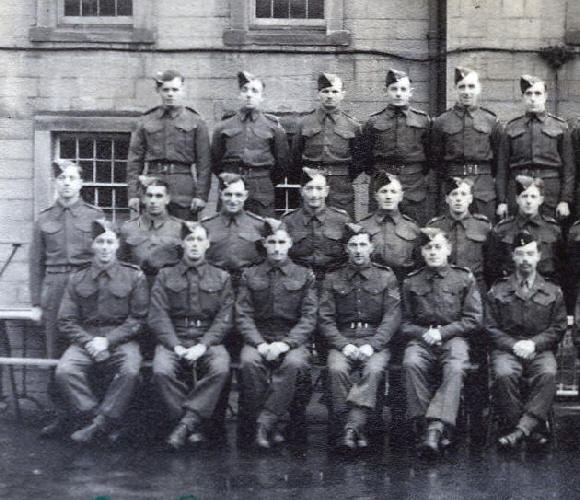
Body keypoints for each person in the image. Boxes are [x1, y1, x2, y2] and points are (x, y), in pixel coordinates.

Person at [54, 220, 149, 443]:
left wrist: (108, 341)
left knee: (130, 370)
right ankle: (99, 419)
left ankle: (99, 424)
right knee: (65, 371)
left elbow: (138, 318)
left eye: (110, 242)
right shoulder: (78, 277)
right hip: (85, 339)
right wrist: (88, 342)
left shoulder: (134, 276)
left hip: (121, 339)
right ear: (93, 246)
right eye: (100, 242)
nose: (105, 247)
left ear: (117, 245)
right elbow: (65, 319)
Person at [148, 222, 233, 449]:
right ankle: (191, 425)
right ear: (182, 244)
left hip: (207, 339)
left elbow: (224, 318)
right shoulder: (165, 275)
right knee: (161, 370)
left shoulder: (222, 277)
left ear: (207, 244)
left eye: (199, 240)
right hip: (174, 337)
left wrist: (203, 346)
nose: (194, 244)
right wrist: (175, 346)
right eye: (190, 240)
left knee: (221, 367)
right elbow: (158, 315)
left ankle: (184, 426)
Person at [401, 228, 482, 457]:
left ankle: (435, 428)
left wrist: (443, 332)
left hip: (453, 338)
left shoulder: (463, 277)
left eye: (438, 247)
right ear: (422, 252)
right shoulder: (411, 281)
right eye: (428, 248)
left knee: (456, 368)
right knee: (411, 363)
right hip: (422, 340)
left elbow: (473, 319)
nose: (433, 252)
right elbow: (404, 323)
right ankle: (426, 427)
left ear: (448, 249)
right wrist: (423, 332)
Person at [318, 223, 400, 450]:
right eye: (353, 245)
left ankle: (350, 429)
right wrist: (342, 345)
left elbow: (392, 317)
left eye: (363, 244)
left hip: (374, 339)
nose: (358, 250)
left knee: (374, 369)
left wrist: (373, 346)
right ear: (346, 249)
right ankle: (357, 428)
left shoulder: (386, 276)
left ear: (371, 247)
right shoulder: (333, 277)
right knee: (336, 369)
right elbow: (325, 318)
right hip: (343, 338)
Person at [236, 219, 317, 448]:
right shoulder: (250, 274)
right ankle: (277, 421)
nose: (277, 247)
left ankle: (265, 423)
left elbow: (309, 317)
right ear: (265, 244)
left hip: (291, 339)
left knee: (294, 364)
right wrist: (259, 344)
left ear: (290, 244)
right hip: (258, 337)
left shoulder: (304, 275)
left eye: (282, 242)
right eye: (272, 242)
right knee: (249, 362)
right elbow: (243, 314)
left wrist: (287, 344)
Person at [486, 231, 566, 449]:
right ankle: (530, 429)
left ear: (538, 256)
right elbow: (490, 327)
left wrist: (534, 343)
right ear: (513, 256)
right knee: (504, 374)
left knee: (548, 373)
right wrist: (513, 344)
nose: (525, 259)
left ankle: (519, 431)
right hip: (507, 348)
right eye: (520, 254)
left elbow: (558, 327)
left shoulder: (552, 290)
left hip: (540, 349)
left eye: (530, 254)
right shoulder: (498, 289)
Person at [29, 160, 104, 360]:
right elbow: (36, 263)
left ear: (81, 183)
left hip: (87, 286)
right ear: (55, 182)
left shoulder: (95, 215)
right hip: (55, 287)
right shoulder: (44, 218)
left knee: (88, 342)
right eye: (62, 178)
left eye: (72, 178)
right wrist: (36, 304)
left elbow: (104, 256)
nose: (67, 183)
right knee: (54, 346)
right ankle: (54, 391)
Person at [127, 69, 211, 221]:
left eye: (175, 89)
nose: (170, 94)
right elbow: (134, 160)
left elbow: (204, 163)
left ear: (183, 90)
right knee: (149, 231)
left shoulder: (196, 122)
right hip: (153, 182)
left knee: (183, 233)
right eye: (166, 90)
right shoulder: (146, 120)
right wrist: (133, 194)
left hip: (183, 185)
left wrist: (201, 195)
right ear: (159, 91)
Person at [211, 71, 290, 217]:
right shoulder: (223, 127)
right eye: (245, 90)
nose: (249, 94)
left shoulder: (273, 127)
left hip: (261, 187)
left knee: (262, 231)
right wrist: (230, 177)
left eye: (254, 91)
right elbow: (215, 162)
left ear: (262, 97)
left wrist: (263, 178)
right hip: (231, 184)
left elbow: (283, 164)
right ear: (239, 94)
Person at [496, 75, 574, 220]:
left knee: (550, 233)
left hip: (550, 190)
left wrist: (565, 200)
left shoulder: (560, 127)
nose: (533, 98)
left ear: (545, 96)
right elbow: (502, 169)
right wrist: (502, 201)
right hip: (518, 189)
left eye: (537, 93)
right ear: (522, 97)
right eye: (528, 94)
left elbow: (569, 169)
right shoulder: (511, 127)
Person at [360, 69, 431, 224]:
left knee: (415, 227)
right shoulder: (373, 122)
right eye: (394, 89)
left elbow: (431, 155)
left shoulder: (423, 121)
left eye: (403, 89)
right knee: (378, 227)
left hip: (413, 184)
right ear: (386, 92)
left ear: (410, 92)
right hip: (382, 182)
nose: (398, 94)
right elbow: (365, 159)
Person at [431, 67, 502, 221]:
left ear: (479, 88)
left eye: (471, 86)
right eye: (462, 86)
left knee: (485, 231)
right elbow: (435, 159)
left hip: (483, 185)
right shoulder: (442, 121)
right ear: (455, 89)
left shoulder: (490, 121)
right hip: (453, 182)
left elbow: (499, 158)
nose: (466, 91)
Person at [291, 73, 362, 217]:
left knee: (343, 225)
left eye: (334, 91)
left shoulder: (353, 125)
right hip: (312, 183)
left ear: (342, 94)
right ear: (318, 94)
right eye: (325, 91)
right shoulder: (304, 123)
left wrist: (340, 175)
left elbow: (360, 161)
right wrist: (309, 175)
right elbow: (294, 158)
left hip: (340, 186)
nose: (330, 96)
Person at [488, 176, 564, 285]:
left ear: (541, 200)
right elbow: (492, 268)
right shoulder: (502, 230)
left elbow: (562, 267)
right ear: (517, 199)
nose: (528, 201)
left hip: (546, 291)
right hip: (511, 290)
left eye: (533, 196)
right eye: (524, 196)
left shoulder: (553, 229)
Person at [282, 167, 351, 283]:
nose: (314, 194)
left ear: (326, 191)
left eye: (319, 189)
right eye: (309, 188)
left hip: (333, 280)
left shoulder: (341, 219)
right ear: (301, 191)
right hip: (298, 280)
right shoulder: (289, 221)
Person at [202, 173, 267, 290]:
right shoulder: (207, 226)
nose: (233, 200)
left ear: (245, 196)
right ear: (220, 194)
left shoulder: (259, 225)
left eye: (238, 195)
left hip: (248, 286)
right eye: (228, 194)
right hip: (215, 285)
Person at [427, 177, 491, 293]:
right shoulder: (436, 226)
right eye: (454, 194)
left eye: (463, 194)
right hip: (443, 288)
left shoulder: (483, 226)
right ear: (447, 199)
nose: (458, 199)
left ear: (470, 199)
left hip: (476, 287)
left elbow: (491, 263)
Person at [119, 176, 183, 288]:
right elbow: (121, 263)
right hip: (137, 287)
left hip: (169, 288)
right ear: (143, 198)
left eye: (159, 196)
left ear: (167, 199)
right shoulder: (128, 228)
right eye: (149, 196)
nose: (153, 201)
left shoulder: (180, 227)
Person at [358, 172, 421, 282]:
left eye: (393, 192)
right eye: (384, 191)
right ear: (375, 196)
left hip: (403, 282)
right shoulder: (363, 226)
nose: (388, 196)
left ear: (401, 196)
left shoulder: (412, 228)